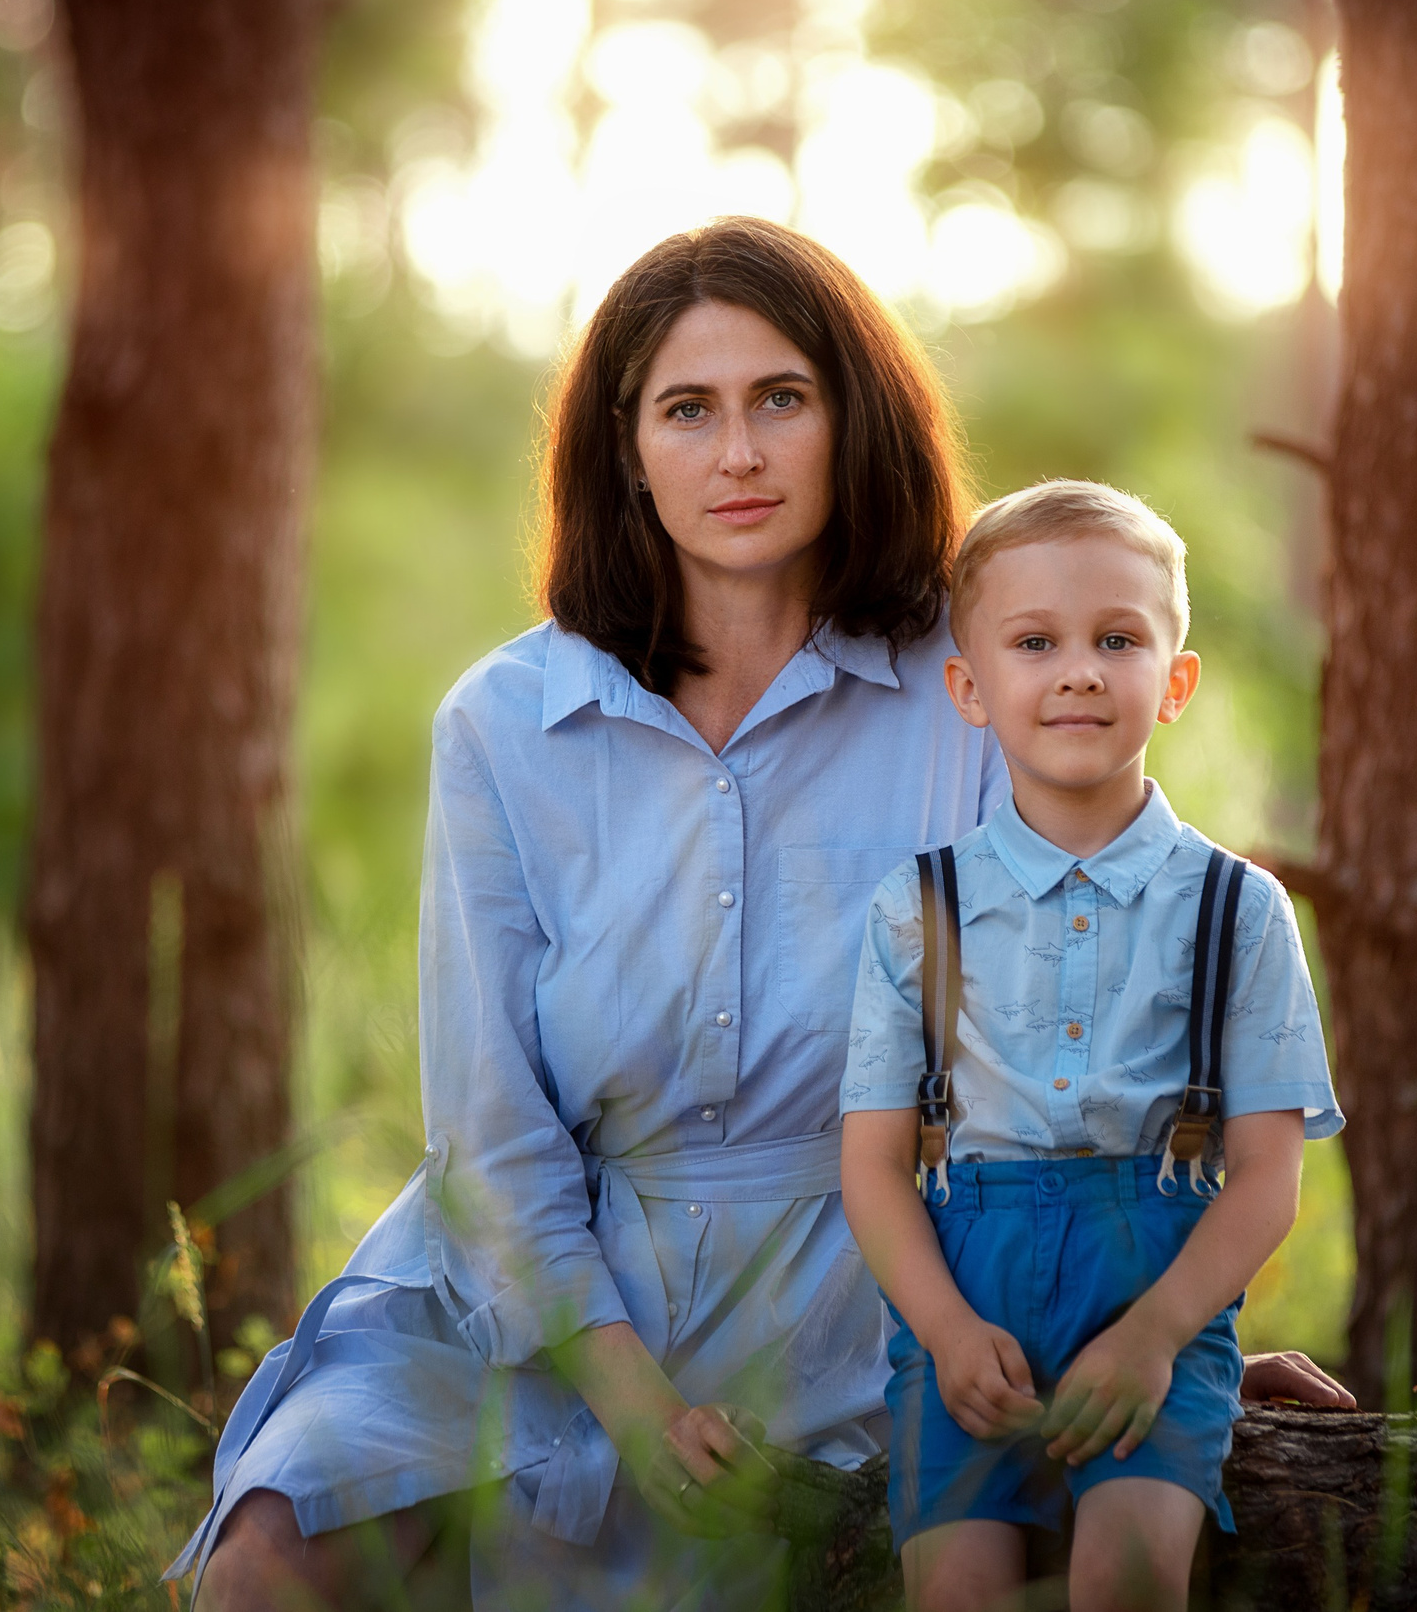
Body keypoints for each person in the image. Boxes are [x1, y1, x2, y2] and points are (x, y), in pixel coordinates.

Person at [178, 220, 1352, 1612]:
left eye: (780, 399)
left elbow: (1099, 1027)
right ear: (628, 449)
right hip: (528, 1293)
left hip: (847, 1298)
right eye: (689, 410)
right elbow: (491, 1127)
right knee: (264, 1570)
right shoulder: (505, 724)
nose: (737, 453)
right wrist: (621, 1392)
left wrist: (1178, 1330)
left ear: (851, 418)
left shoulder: (971, 688)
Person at [838, 481, 1345, 1612]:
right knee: (955, 1592)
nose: (1077, 669)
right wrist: (947, 1327)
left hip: (1154, 1300)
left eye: (1116, 639)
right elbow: (872, 1164)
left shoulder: (1238, 907)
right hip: (969, 1307)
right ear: (969, 688)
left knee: (1125, 1577)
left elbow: (1267, 1176)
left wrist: (1159, 1333)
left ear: (1175, 681)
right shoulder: (915, 907)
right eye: (1035, 641)